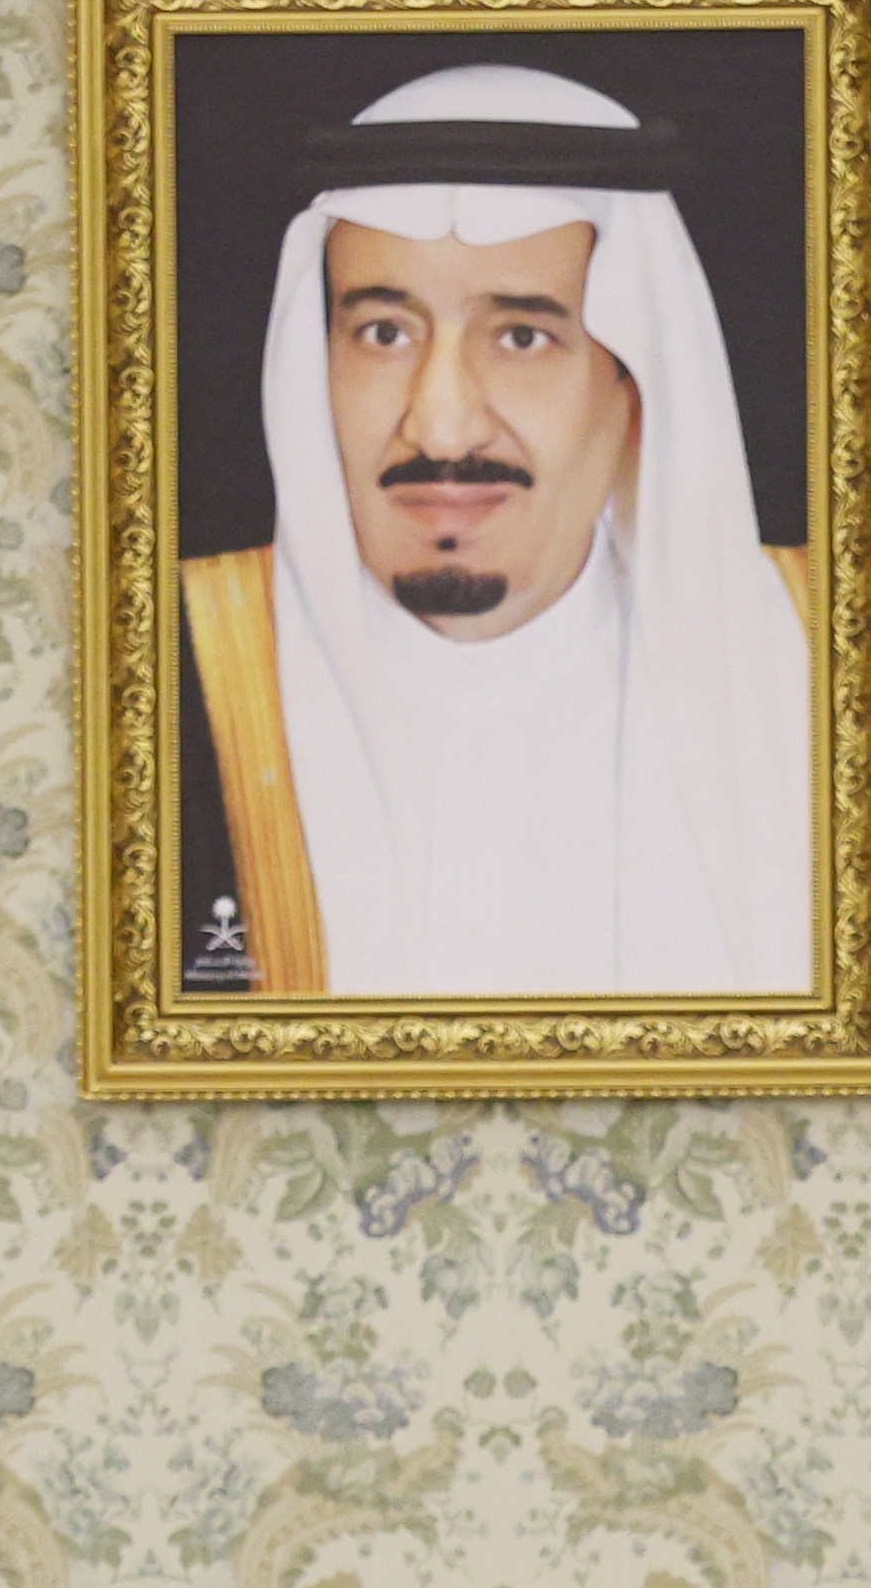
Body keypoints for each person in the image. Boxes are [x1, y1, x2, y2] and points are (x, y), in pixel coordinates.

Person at [173, 61, 815, 998]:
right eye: (384, 332)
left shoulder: (838, 671)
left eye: (521, 336)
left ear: (635, 380)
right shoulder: (158, 675)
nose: (441, 426)